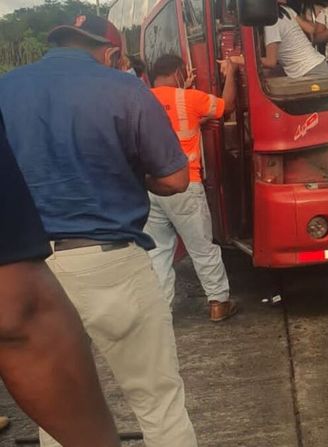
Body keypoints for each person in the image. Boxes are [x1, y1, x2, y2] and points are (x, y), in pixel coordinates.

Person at [0, 15, 199, 446]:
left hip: (32, 271)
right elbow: (175, 180)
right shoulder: (125, 88)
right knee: (159, 404)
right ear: (111, 53)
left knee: (61, 414)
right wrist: (125, 172)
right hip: (111, 262)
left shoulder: (5, 89)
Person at [0, 115, 121, 447]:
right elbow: (15, 311)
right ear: (111, 57)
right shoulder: (120, 91)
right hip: (113, 250)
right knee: (158, 393)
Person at [146, 54, 240, 321]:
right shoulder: (189, 99)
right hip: (185, 185)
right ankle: (218, 303)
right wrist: (231, 72)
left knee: (159, 251)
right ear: (178, 72)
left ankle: (162, 312)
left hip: (150, 187)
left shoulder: (138, 100)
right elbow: (228, 105)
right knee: (202, 247)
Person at [263, 0, 328, 78]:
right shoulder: (286, 11)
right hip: (320, 65)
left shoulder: (271, 24)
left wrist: (249, 60)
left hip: (309, 73)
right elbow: (311, 29)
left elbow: (270, 62)